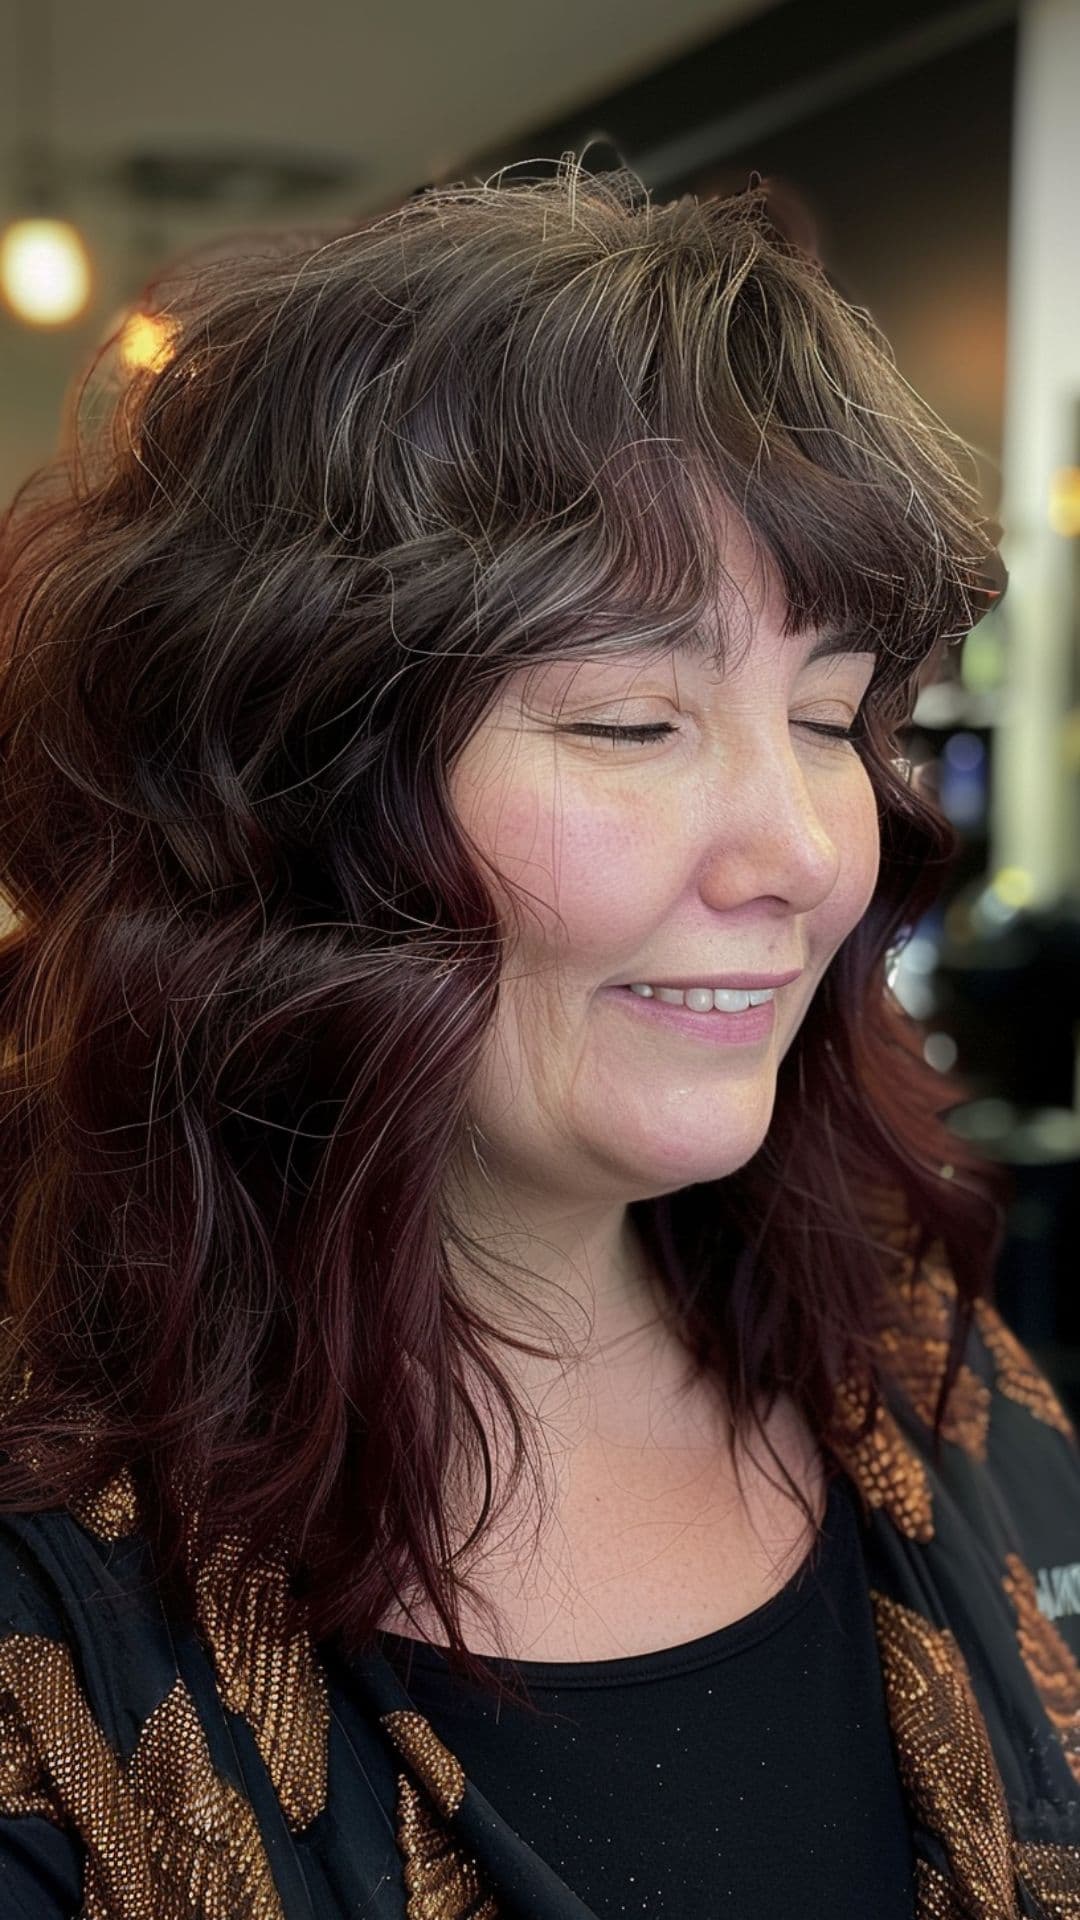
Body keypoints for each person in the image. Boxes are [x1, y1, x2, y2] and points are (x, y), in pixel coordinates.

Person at [0, 150, 1076, 1920]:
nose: (804, 853)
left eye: (829, 718)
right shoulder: (60, 1584)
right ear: (279, 799)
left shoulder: (918, 1360)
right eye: (634, 720)